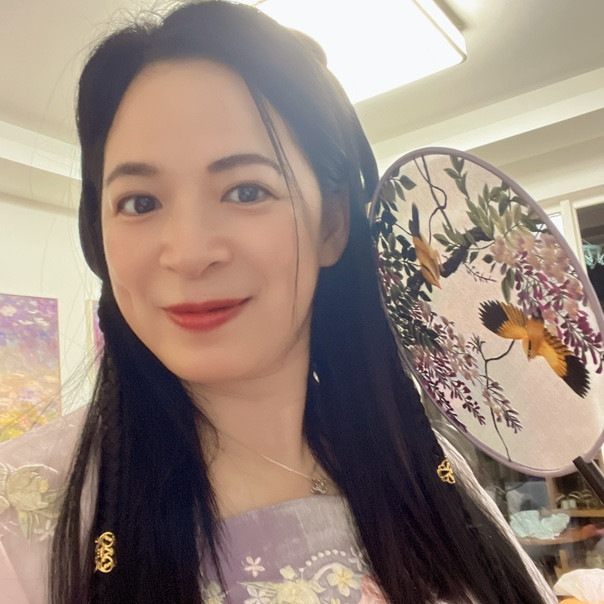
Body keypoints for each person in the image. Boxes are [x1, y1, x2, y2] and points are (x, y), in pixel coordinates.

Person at [0, 2, 556, 603]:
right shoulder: (20, 518)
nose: (188, 253)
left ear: (332, 224)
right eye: (139, 202)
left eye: (246, 191)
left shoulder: (421, 465)